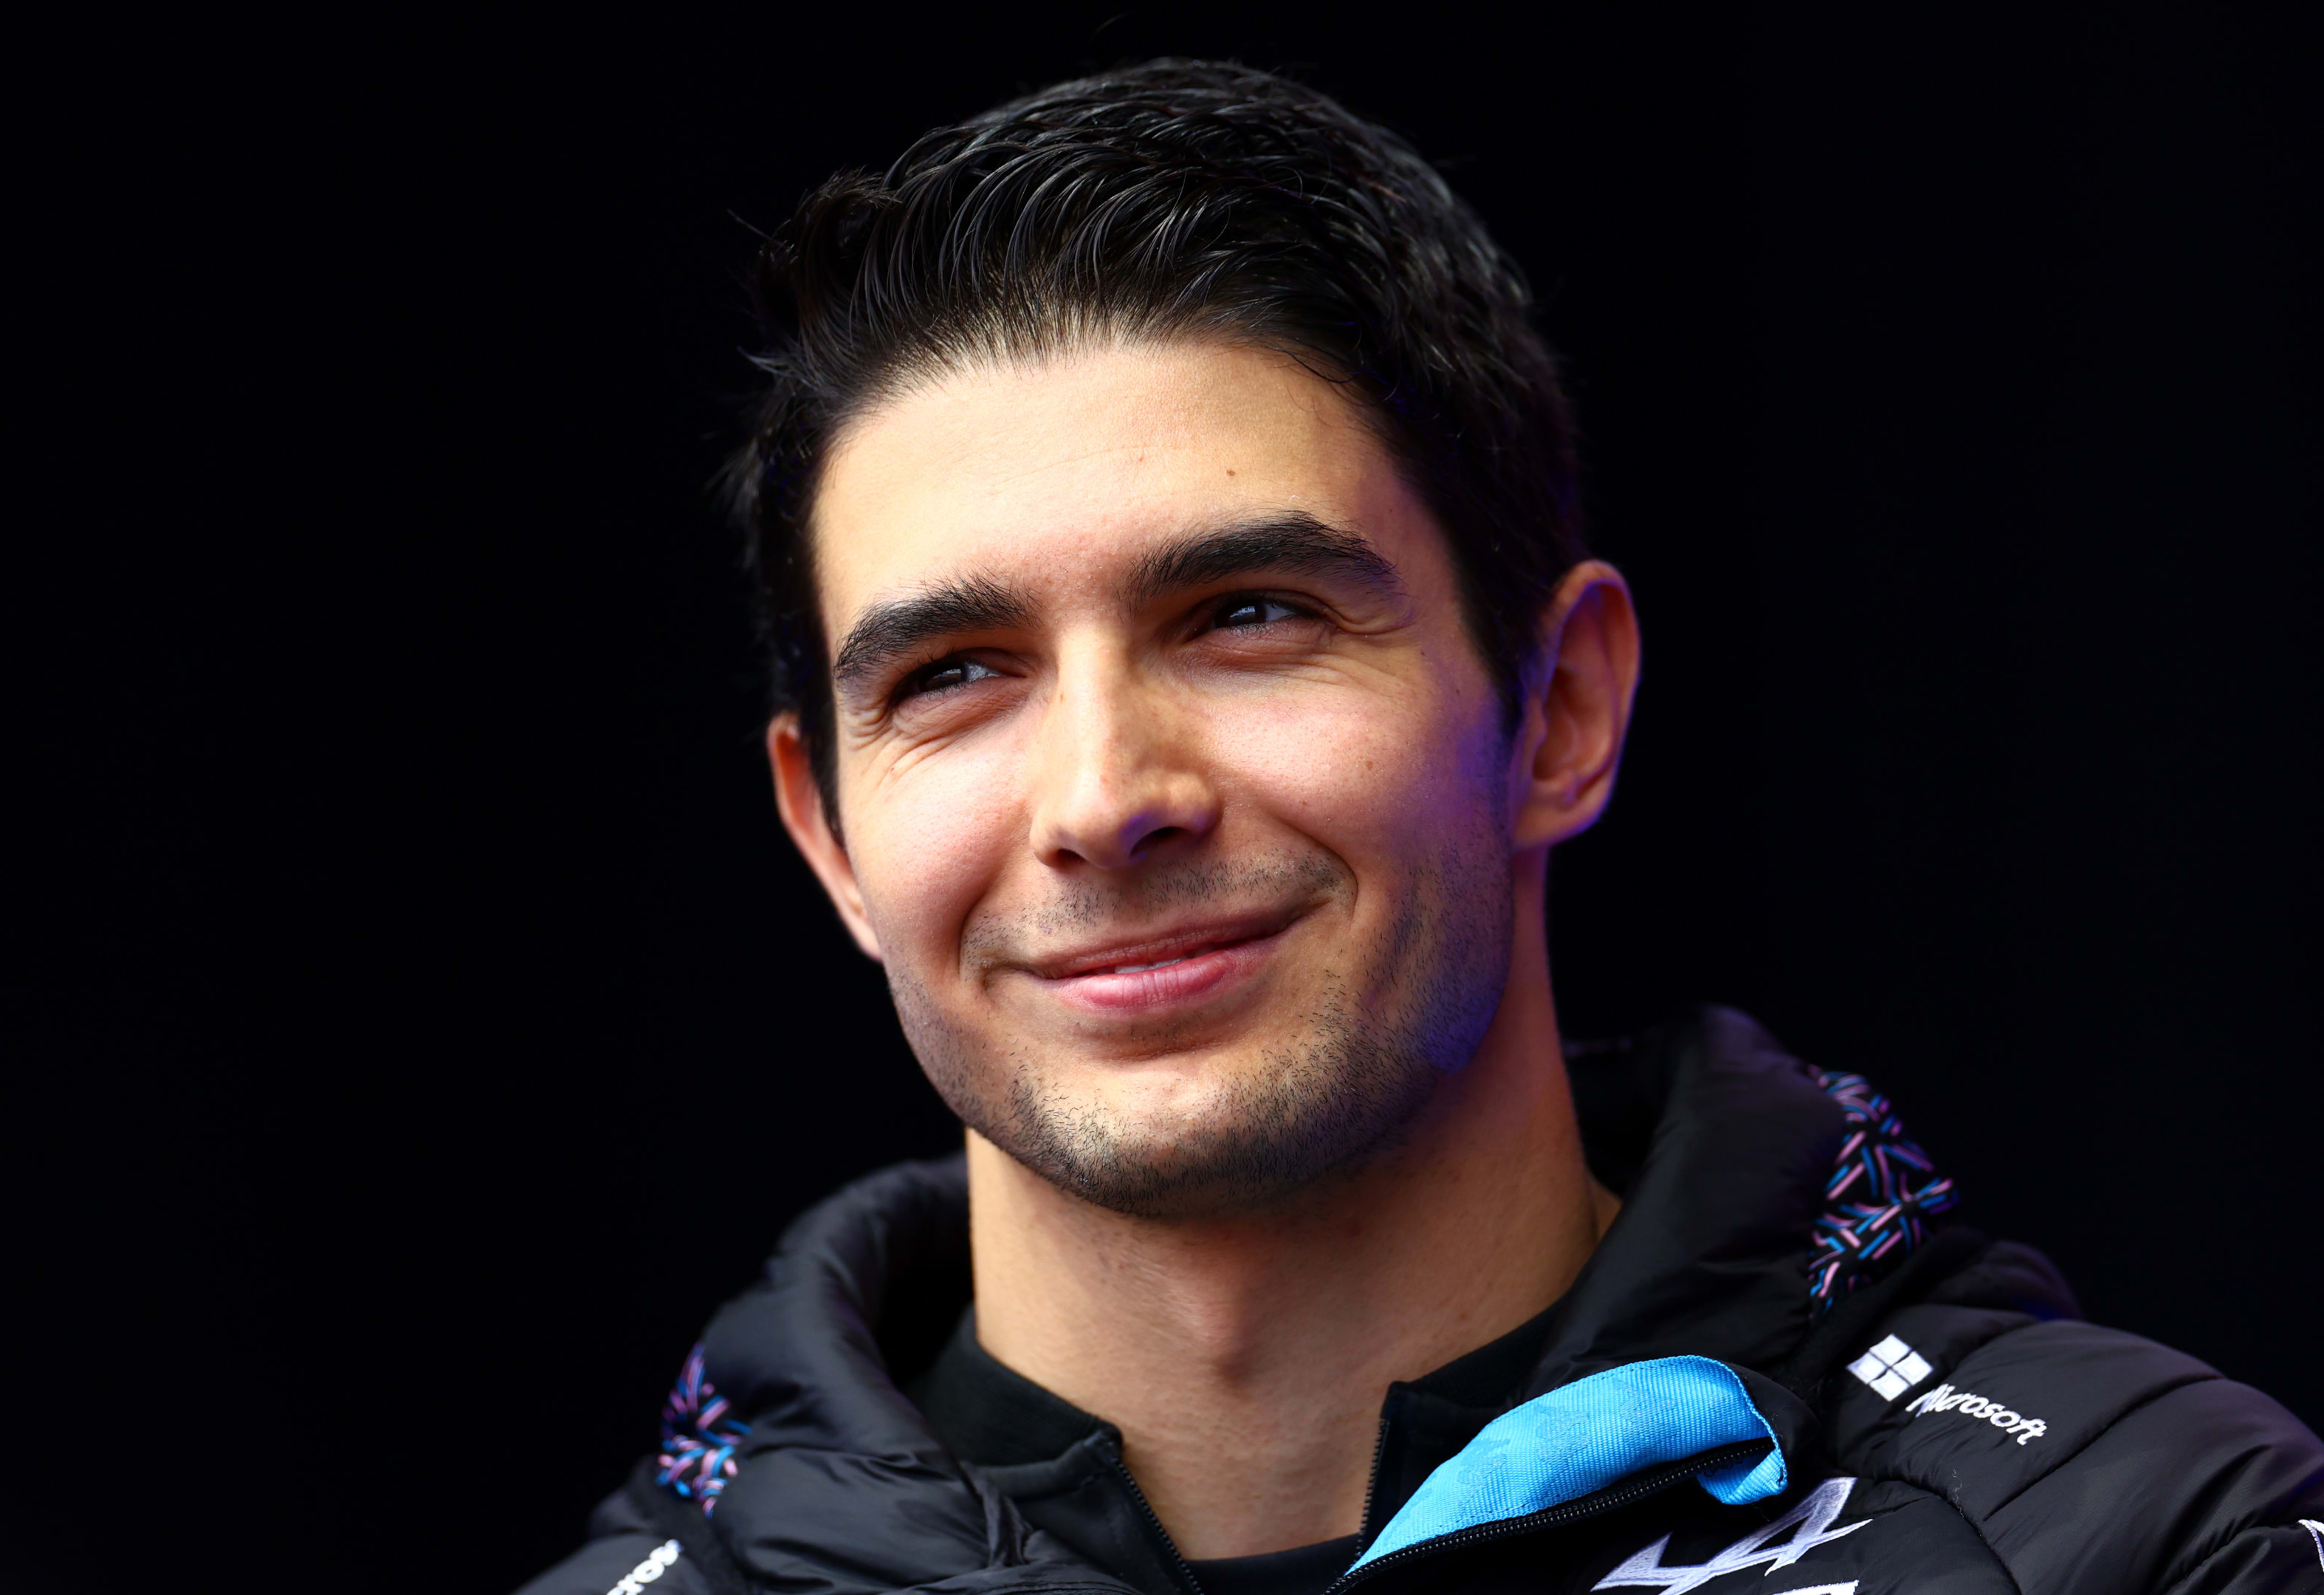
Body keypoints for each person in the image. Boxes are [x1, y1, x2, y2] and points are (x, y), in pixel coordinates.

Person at [518, 60, 2324, 1595]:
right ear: (829, 835)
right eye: (958, 676)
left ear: (1561, 709)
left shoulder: (2155, 1543)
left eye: (1245, 616)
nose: (1102, 801)